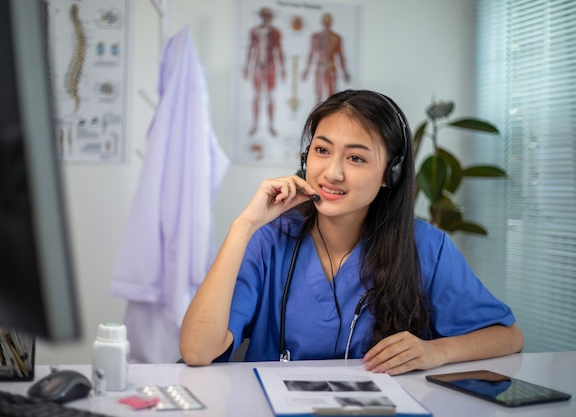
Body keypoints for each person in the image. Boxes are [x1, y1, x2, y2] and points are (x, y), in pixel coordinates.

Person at [180, 90, 523, 375]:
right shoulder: (269, 240)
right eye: (322, 150)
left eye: (356, 158)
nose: (332, 173)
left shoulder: (425, 246)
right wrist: (245, 224)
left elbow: (507, 337)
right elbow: (197, 351)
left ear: (391, 174)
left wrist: (435, 352)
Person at [243, 7, 286, 137]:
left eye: (268, 15)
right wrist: (247, 66)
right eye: (264, 15)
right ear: (261, 16)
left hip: (271, 66)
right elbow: (251, 49)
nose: (266, 18)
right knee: (257, 96)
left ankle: (271, 125)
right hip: (258, 66)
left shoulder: (275, 32)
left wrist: (283, 68)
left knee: (270, 96)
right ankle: (255, 125)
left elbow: (279, 50)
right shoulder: (255, 31)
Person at [302, 13, 350, 104]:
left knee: (331, 96)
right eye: (325, 21)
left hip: (331, 68)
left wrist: (345, 72)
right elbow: (311, 54)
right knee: (318, 95)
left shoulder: (336, 37)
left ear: (331, 22)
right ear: (322, 22)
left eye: (328, 21)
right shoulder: (316, 37)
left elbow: (340, 56)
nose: (327, 23)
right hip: (320, 68)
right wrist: (307, 70)